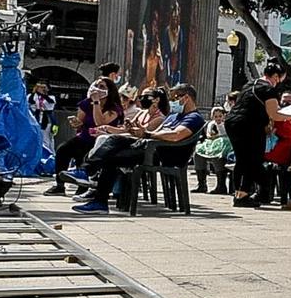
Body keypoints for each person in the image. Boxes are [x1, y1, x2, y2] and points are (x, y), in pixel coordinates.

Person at [71, 84, 206, 213]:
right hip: (151, 147)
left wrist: (147, 134)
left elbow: (176, 135)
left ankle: (91, 182)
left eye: (175, 98)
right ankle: (88, 175)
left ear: (186, 97)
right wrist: (139, 132)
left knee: (112, 158)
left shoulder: (193, 117)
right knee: (115, 140)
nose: (172, 102)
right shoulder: (173, 116)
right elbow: (155, 133)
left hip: (165, 153)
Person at [225, 62, 291, 208]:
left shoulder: (250, 84)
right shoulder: (268, 89)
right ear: (275, 76)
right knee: (253, 159)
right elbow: (274, 113)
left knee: (242, 159)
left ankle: (239, 194)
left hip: (233, 122)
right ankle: (244, 194)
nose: (279, 83)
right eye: (280, 79)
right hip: (248, 125)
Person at [48, 78, 122, 195]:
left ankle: (83, 186)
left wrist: (96, 103)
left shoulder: (114, 108)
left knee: (83, 155)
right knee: (63, 150)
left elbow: (100, 122)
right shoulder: (86, 103)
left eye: (102, 87)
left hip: (101, 140)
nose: (98, 89)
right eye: (97, 85)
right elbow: (80, 121)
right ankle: (59, 185)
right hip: (84, 136)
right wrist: (76, 123)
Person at [193, 107, 231, 192]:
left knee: (216, 155)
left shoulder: (226, 124)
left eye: (220, 116)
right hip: (211, 143)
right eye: (216, 116)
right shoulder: (210, 124)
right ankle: (201, 184)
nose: (218, 118)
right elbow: (209, 135)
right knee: (198, 154)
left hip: (224, 143)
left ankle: (221, 185)